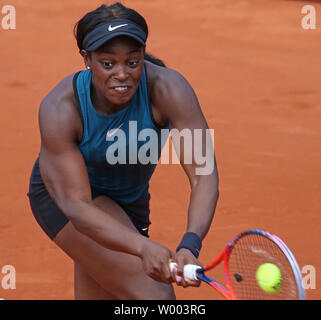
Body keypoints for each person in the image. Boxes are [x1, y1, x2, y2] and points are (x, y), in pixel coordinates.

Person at [27, 2, 219, 300]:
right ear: (87, 59)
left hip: (129, 204)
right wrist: (141, 246)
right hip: (69, 201)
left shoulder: (170, 89)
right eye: (108, 63)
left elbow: (203, 173)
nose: (122, 74)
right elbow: (78, 206)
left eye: (132, 61)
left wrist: (190, 243)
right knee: (156, 298)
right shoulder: (60, 108)